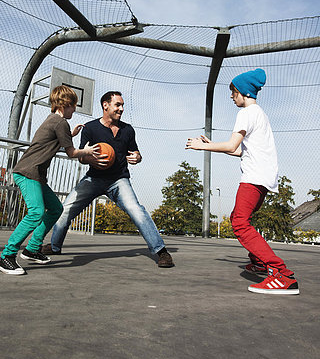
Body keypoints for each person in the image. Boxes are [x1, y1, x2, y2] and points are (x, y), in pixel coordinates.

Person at [186, 69, 299, 295]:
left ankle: (281, 274)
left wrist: (202, 146)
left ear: (243, 92)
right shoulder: (260, 114)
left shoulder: (246, 113)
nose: (231, 96)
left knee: (239, 222)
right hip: (263, 178)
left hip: (254, 177)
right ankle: (258, 262)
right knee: (240, 217)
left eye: (233, 92)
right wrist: (213, 143)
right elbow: (240, 151)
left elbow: (230, 145)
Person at [41, 91, 174, 268]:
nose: (121, 109)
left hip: (119, 180)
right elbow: (81, 156)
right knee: (65, 209)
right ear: (106, 105)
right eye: (118, 105)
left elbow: (135, 152)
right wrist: (91, 158)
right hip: (94, 178)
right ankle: (55, 246)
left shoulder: (128, 130)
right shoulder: (90, 128)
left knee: (136, 210)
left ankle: (161, 251)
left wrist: (137, 157)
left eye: (122, 105)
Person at [0, 85, 100, 276]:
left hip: (35, 174)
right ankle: (6, 256)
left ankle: (32, 249)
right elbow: (71, 153)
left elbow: (56, 139)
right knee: (36, 212)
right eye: (73, 105)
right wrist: (87, 151)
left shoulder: (54, 120)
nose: (75, 109)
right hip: (29, 172)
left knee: (55, 209)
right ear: (66, 104)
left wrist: (71, 135)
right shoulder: (60, 123)